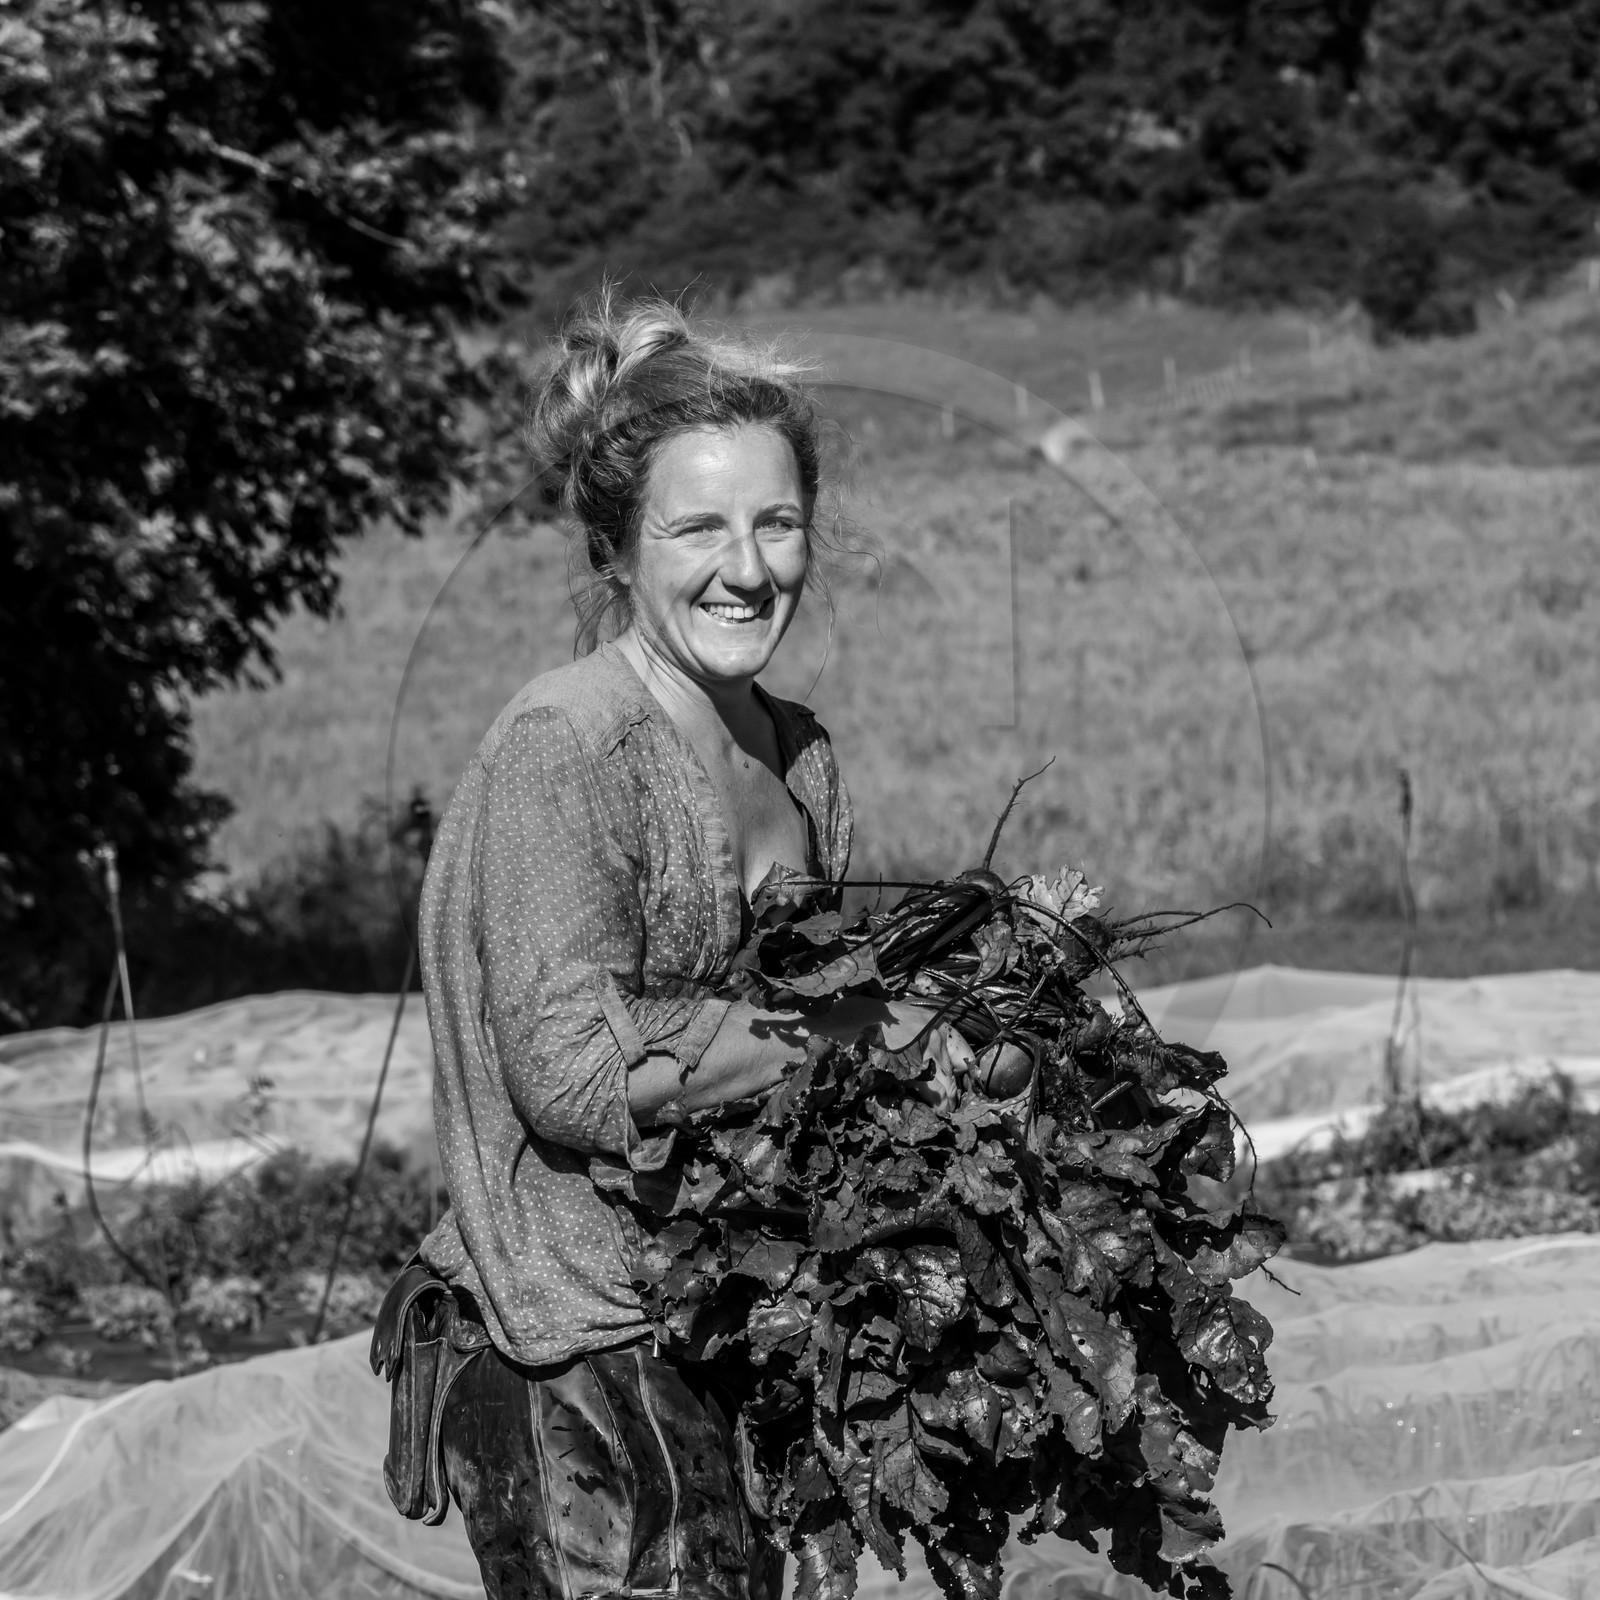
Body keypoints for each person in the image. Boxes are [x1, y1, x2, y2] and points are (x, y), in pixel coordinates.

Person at [373, 290, 967, 1600]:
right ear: (616, 549)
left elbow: (821, 1022)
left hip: (742, 1314)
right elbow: (576, 1082)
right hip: (574, 1351)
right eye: (698, 528)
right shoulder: (565, 749)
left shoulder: (799, 754)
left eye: (778, 523)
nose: (746, 568)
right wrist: (845, 1037)